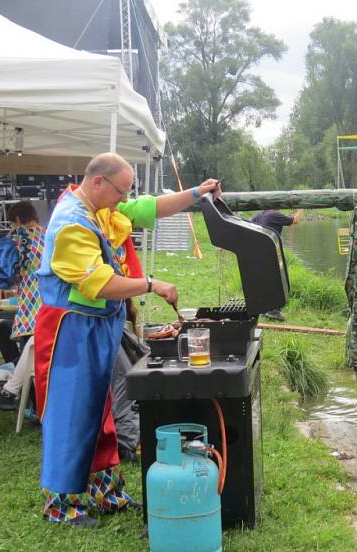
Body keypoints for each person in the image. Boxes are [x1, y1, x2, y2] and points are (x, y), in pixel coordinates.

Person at [34, 152, 221, 527]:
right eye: (120, 191)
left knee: (100, 412)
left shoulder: (97, 203)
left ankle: (106, 492)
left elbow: (147, 207)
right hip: (69, 332)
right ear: (99, 182)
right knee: (70, 415)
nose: (124, 199)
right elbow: (100, 282)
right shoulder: (72, 224)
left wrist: (196, 195)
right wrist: (152, 284)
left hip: (97, 326)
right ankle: (62, 506)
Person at [0, 201, 45, 410]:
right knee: (40, 363)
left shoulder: (18, 239)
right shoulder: (49, 235)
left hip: (31, 307)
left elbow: (5, 275)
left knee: (29, 354)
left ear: (16, 220)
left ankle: (33, 407)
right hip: (51, 304)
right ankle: (37, 406)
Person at [250, 208, 303, 320]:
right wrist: (300, 208)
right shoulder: (275, 215)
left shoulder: (260, 215)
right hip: (269, 251)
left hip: (257, 251)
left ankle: (263, 309)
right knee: (277, 280)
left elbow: (248, 225)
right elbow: (296, 220)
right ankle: (273, 311)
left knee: (265, 281)